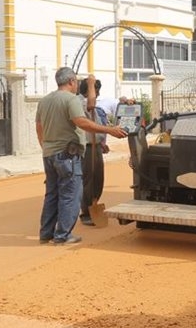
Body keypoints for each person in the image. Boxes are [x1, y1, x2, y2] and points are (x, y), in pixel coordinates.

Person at [35, 68, 127, 245]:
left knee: (52, 194)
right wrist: (110, 130)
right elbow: (81, 122)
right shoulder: (70, 99)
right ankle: (63, 235)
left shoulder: (45, 100)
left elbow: (39, 127)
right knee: (70, 194)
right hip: (67, 155)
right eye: (76, 81)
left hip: (49, 154)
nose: (77, 85)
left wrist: (45, 147)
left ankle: (46, 233)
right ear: (71, 81)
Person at [78, 77, 109, 226]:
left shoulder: (95, 107)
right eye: (96, 91)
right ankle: (86, 211)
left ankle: (94, 204)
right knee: (88, 181)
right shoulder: (80, 102)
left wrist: (101, 143)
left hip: (95, 146)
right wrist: (91, 82)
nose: (97, 94)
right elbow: (90, 103)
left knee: (98, 179)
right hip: (87, 147)